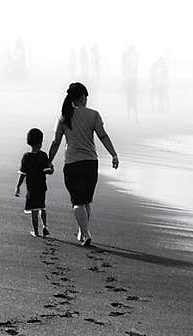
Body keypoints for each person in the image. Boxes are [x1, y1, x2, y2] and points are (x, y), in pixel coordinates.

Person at [47, 81, 119, 248]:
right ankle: (84, 231)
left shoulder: (64, 117)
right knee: (85, 200)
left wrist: (49, 161)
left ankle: (84, 232)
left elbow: (56, 142)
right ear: (81, 97)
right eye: (86, 96)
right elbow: (103, 136)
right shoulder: (93, 115)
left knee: (78, 201)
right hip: (90, 164)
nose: (87, 100)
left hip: (72, 163)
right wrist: (113, 154)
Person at [15, 127, 53, 238]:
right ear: (40, 142)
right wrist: (51, 168)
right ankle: (45, 226)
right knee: (42, 207)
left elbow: (22, 174)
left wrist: (18, 187)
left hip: (31, 188)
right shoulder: (43, 156)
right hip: (42, 187)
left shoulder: (26, 157)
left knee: (34, 211)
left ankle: (36, 232)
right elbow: (48, 171)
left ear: (29, 142)